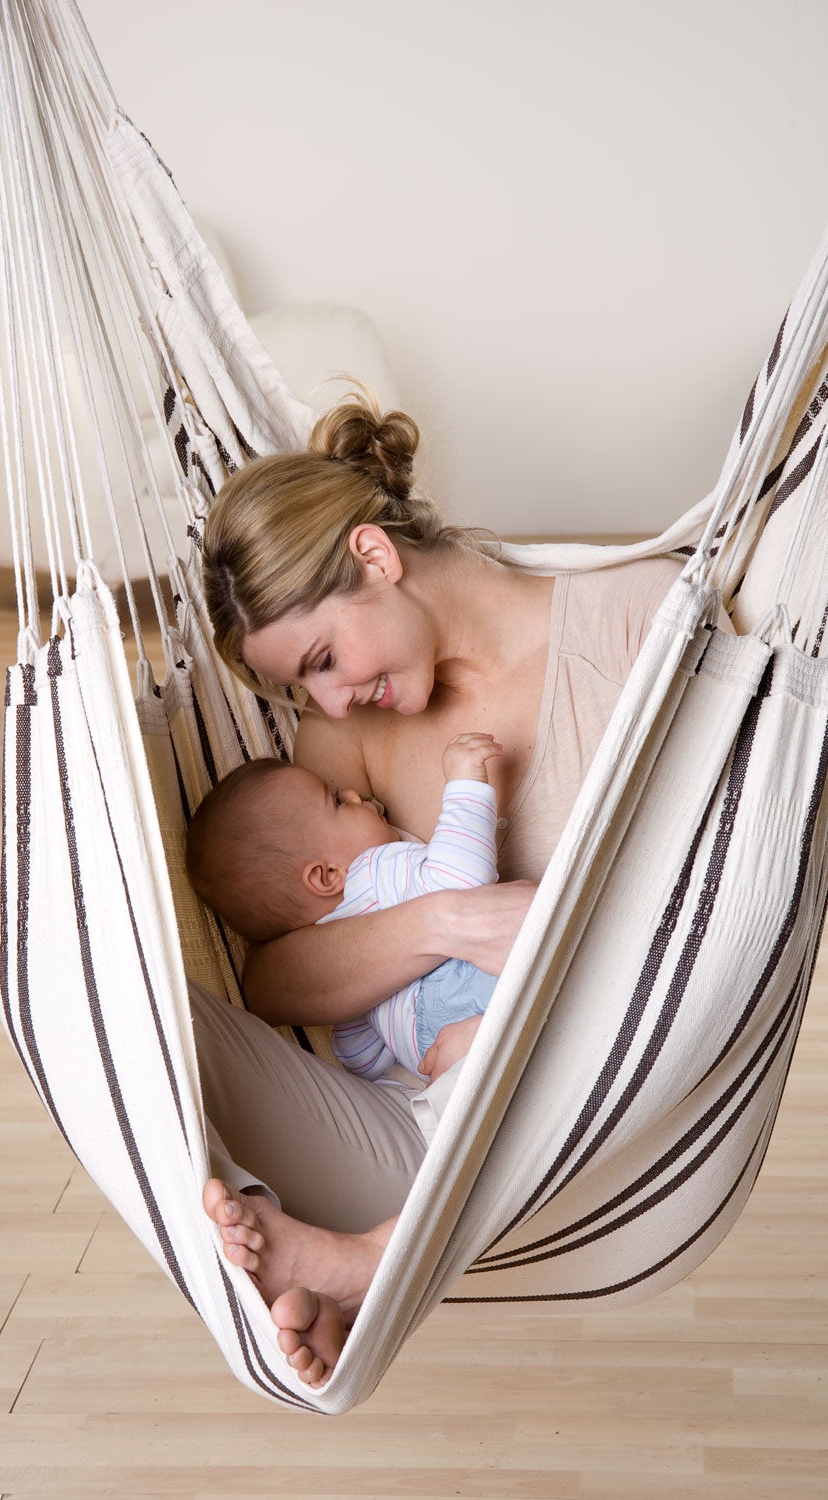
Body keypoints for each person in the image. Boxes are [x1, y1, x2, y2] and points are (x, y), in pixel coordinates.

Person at [192, 392, 702, 1387]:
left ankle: (367, 1270)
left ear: (375, 558)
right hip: (418, 1116)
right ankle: (285, 1255)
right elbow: (277, 980)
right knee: (139, 1014)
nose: (330, 703)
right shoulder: (343, 746)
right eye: (305, 693)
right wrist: (452, 919)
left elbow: (712, 912)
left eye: (325, 660)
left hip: (593, 1109)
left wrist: (549, 944)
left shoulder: (636, 623)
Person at [185, 731, 504, 1083]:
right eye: (337, 801)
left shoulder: (339, 971)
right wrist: (465, 784)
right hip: (458, 991)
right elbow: (463, 883)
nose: (354, 794)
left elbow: (362, 1058)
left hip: (428, 1050)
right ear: (326, 876)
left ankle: (477, 1048)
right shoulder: (374, 871)